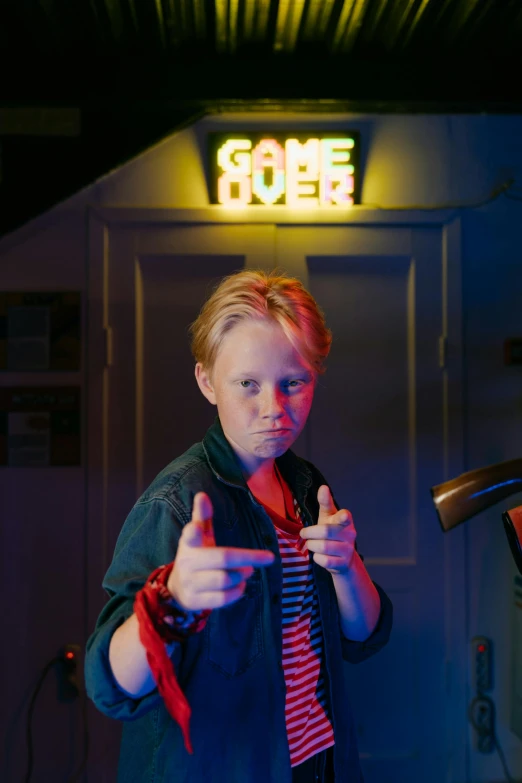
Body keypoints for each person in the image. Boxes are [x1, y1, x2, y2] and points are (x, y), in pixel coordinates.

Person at [85, 268, 393, 783]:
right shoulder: (176, 503)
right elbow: (110, 685)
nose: (273, 409)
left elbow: (364, 637)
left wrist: (346, 567)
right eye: (247, 384)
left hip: (318, 763)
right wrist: (171, 598)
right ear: (207, 381)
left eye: (293, 383)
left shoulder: (304, 483)